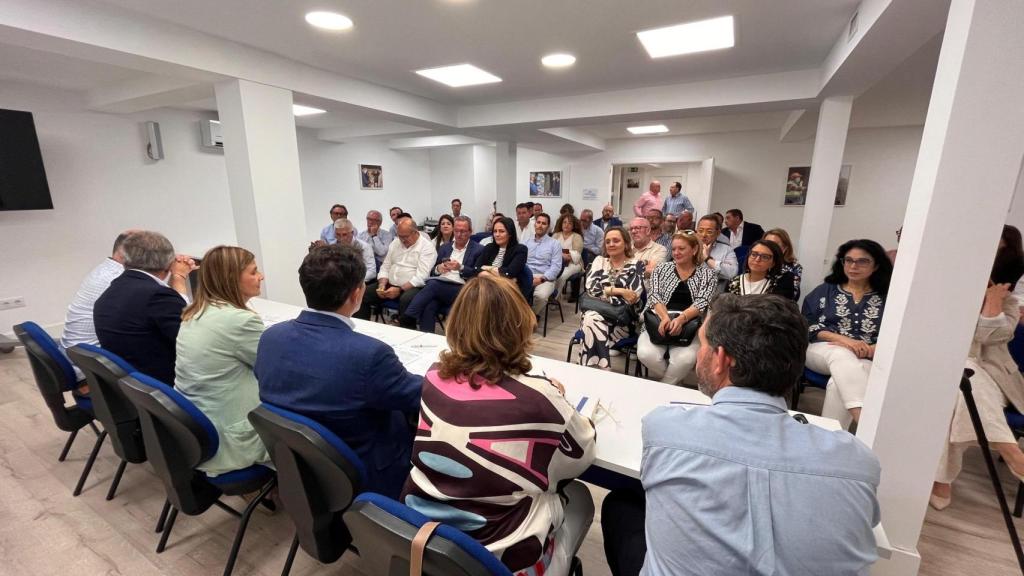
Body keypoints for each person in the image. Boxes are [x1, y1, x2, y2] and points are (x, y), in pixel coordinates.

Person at [603, 294, 881, 576]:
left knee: (621, 503)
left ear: (721, 359)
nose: (699, 353)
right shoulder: (857, 462)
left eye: (703, 345)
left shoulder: (664, 427)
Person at [401, 274, 597, 575]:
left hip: (425, 535)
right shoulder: (540, 398)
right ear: (518, 326)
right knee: (580, 499)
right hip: (497, 554)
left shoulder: (433, 376)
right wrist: (560, 401)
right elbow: (581, 457)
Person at [256, 244, 421, 499]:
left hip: (305, 470)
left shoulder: (270, 338)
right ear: (357, 293)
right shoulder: (370, 355)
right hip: (367, 473)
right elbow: (419, 395)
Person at [931, 227, 1024, 510]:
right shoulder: (953, 294)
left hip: (997, 380)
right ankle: (1011, 451)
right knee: (958, 390)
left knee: (962, 380)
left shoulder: (1010, 303)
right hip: (954, 376)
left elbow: (987, 336)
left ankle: (942, 480)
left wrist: (994, 300)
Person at [175, 245, 270, 476]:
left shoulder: (194, 312)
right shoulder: (239, 321)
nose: (261, 276)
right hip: (231, 439)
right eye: (253, 271)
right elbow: (276, 370)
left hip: (200, 430)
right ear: (231, 279)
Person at [802, 239, 892, 425]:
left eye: (862, 261)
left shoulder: (889, 296)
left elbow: (897, 332)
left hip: (868, 356)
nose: (853, 266)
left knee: (837, 385)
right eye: (848, 260)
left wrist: (875, 348)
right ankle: (866, 422)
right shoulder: (825, 291)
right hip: (823, 349)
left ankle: (831, 440)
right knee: (840, 353)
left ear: (876, 266)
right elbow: (807, 325)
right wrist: (846, 341)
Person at [93, 231, 194, 385]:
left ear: (125, 258)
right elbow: (193, 340)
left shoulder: (114, 288)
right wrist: (179, 277)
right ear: (168, 264)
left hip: (134, 387)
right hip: (166, 386)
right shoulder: (158, 296)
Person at [636, 232, 717, 386]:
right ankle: (674, 382)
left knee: (685, 359)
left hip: (690, 325)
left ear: (694, 250)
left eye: (681, 248)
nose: (676, 253)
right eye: (673, 249)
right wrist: (665, 317)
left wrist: (681, 319)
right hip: (658, 320)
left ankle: (664, 386)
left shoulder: (708, 274)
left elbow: (702, 302)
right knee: (645, 354)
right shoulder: (661, 269)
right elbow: (655, 296)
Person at [578, 227, 645, 370]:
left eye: (616, 240)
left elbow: (632, 297)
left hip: (621, 322)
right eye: (607, 241)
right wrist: (619, 291)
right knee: (592, 318)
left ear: (626, 244)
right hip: (596, 316)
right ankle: (602, 370)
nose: (611, 244)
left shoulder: (637, 265)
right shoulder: (599, 261)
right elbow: (591, 289)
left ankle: (589, 370)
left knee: (590, 319)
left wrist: (606, 294)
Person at [60, 230, 135, 356]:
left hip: (75, 353)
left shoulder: (104, 269)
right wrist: (177, 276)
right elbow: (170, 308)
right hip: (91, 362)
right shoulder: (119, 278)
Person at [405, 216, 484, 334]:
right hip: (442, 286)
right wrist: (438, 269)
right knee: (429, 305)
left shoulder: (479, 249)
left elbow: (477, 274)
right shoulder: (445, 248)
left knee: (433, 284)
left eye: (462, 231)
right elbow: (433, 270)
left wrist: (460, 267)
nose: (459, 234)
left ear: (470, 232)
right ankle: (427, 339)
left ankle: (408, 316)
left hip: (463, 289)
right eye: (456, 231)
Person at [355, 216, 437, 329]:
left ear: (415, 232)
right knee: (362, 293)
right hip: (389, 283)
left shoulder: (427, 247)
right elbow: (386, 266)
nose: (402, 240)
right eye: (400, 236)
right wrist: (382, 284)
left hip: (412, 286)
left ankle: (407, 334)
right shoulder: (396, 242)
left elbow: (421, 276)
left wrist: (400, 289)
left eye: (405, 236)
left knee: (406, 300)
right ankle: (362, 330)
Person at [469, 216, 530, 296]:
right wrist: (501, 277)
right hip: (486, 285)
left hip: (507, 291)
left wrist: (487, 268)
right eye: (495, 231)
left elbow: (509, 273)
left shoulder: (520, 249)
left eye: (501, 231)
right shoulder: (489, 247)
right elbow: (476, 269)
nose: (497, 234)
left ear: (510, 233)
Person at [727, 239, 798, 300]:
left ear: (773, 263)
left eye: (764, 257)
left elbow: (780, 311)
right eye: (754, 254)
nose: (757, 259)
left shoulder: (780, 283)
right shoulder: (733, 282)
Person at [523, 213, 563, 316]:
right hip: (526, 275)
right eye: (538, 222)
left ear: (548, 227)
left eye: (544, 223)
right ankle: (520, 315)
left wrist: (542, 279)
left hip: (545, 278)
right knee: (511, 291)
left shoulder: (555, 244)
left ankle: (532, 316)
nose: (540, 225)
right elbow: (520, 262)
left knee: (541, 296)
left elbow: (556, 267)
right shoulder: (525, 242)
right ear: (535, 224)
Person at [694, 215, 738, 292]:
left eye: (709, 232)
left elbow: (733, 273)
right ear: (696, 231)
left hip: (714, 295)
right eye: (700, 231)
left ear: (718, 233)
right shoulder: (688, 247)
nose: (704, 235)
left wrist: (707, 259)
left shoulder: (726, 249)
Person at [763, 227, 803, 300]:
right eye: (766, 244)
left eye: (774, 244)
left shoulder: (794, 267)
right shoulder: (755, 262)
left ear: (785, 248)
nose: (769, 247)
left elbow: (792, 296)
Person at [552, 213, 584, 299]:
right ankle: (550, 296)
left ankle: (554, 299)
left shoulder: (577, 237)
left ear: (573, 226)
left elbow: (576, 256)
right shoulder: (556, 235)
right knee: (550, 273)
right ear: (561, 224)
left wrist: (559, 254)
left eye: (569, 223)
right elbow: (550, 251)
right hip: (557, 262)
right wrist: (563, 255)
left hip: (573, 264)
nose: (566, 225)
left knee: (561, 276)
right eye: (564, 222)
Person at [628, 217, 668, 284]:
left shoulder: (660, 250)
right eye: (631, 229)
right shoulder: (625, 248)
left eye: (638, 228)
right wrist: (645, 263)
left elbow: (654, 272)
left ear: (648, 230)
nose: (633, 231)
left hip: (646, 292)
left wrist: (625, 267)